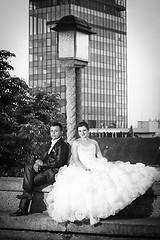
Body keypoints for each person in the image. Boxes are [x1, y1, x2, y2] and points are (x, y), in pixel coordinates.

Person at [46, 121, 160, 226]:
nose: (82, 133)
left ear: (88, 130)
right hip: (81, 167)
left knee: (111, 177)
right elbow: (76, 159)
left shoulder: (93, 142)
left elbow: (99, 156)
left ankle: (95, 212)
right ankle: (91, 214)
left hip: (95, 164)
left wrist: (105, 163)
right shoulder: (76, 143)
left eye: (84, 130)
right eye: (80, 131)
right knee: (87, 184)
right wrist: (85, 169)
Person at [10, 121, 69, 217]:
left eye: (56, 131)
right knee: (28, 167)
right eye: (51, 131)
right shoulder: (50, 143)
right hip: (45, 169)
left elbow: (59, 162)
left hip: (52, 172)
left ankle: (23, 208)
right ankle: (26, 197)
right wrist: (37, 162)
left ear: (61, 132)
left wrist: (43, 164)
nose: (53, 133)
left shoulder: (63, 145)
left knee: (31, 182)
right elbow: (43, 156)